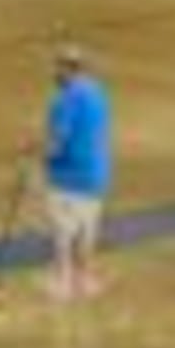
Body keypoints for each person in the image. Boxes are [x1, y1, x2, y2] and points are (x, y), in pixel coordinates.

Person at [39, 43, 111, 300]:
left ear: (66, 69)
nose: (54, 72)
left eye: (57, 67)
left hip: (68, 178)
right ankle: (86, 281)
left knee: (62, 234)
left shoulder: (64, 99)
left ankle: (62, 282)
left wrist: (36, 157)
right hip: (96, 176)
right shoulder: (98, 93)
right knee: (87, 233)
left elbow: (57, 142)